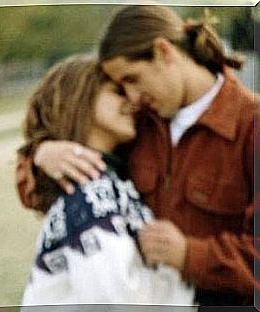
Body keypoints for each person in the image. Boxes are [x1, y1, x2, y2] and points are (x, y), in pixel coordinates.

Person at [16, 6, 258, 306]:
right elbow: (36, 193)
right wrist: (42, 152)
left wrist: (188, 254)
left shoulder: (251, 127)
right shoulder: (140, 122)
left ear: (164, 52)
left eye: (132, 79)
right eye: (121, 88)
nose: (131, 97)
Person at [18, 53, 195, 306]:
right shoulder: (87, 192)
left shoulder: (112, 181)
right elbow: (116, 301)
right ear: (81, 100)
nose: (132, 101)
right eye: (117, 91)